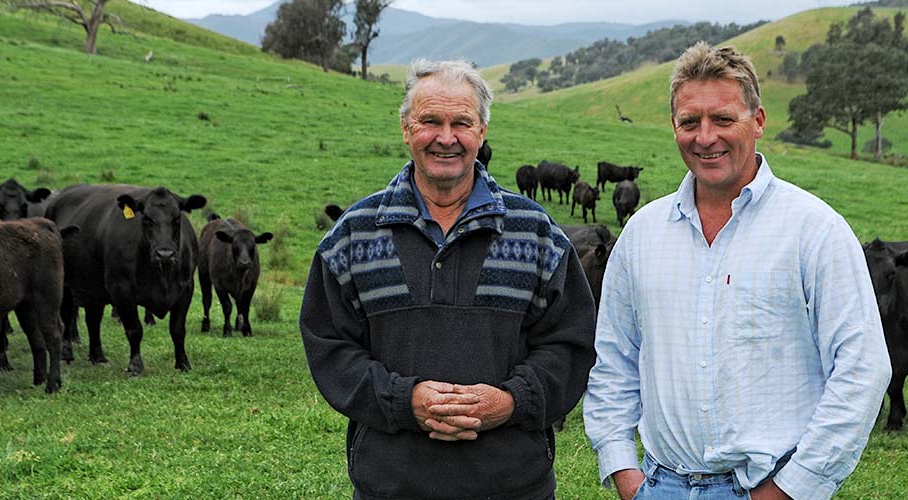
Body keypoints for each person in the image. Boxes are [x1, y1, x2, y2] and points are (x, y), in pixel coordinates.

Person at [583, 42, 891, 500]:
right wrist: (624, 470)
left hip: (771, 487)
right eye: (690, 121)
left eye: (723, 119)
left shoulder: (815, 230)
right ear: (674, 126)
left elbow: (863, 369)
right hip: (659, 485)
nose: (705, 137)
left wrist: (793, 488)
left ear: (759, 121)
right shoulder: (642, 235)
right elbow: (612, 361)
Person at [300, 59, 596, 500]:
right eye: (429, 121)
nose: (445, 137)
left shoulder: (535, 233)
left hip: (514, 486)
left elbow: (570, 345)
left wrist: (511, 401)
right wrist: (403, 399)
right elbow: (330, 348)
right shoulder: (354, 234)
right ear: (405, 129)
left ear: (482, 132)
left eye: (462, 122)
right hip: (390, 486)